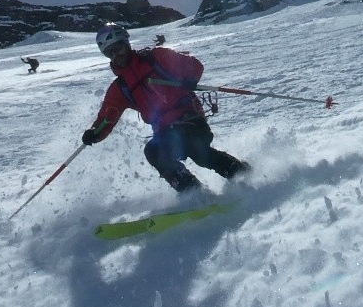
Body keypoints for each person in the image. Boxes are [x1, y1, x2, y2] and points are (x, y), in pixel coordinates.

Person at [82, 24, 249, 193]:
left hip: (189, 118)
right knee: (154, 151)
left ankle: (240, 172)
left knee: (196, 150)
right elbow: (108, 116)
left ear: (126, 43)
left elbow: (194, 65)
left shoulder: (155, 57)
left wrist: (189, 78)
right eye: (109, 53)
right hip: (164, 131)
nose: (116, 55)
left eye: (117, 48)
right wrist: (95, 133)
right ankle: (192, 192)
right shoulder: (119, 87)